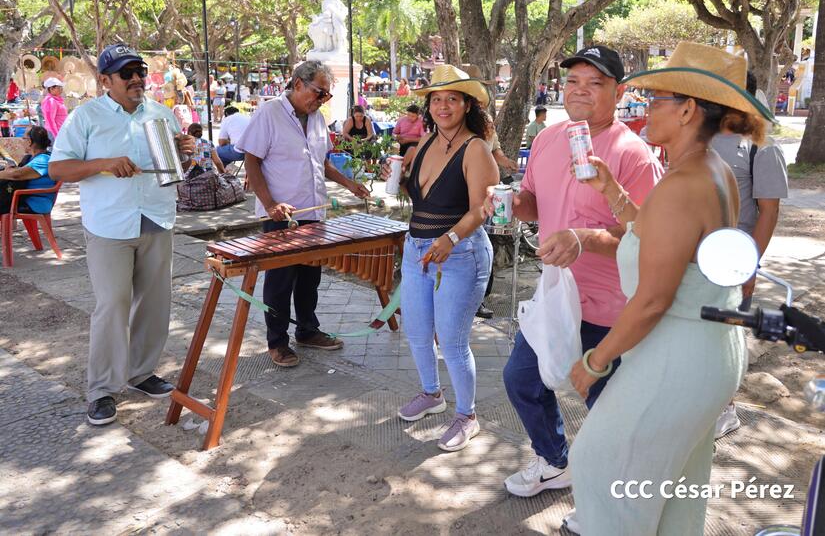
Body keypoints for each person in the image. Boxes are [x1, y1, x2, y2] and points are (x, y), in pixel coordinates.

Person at [565, 42, 771, 535]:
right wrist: (612, 191)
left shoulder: (686, 181)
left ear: (687, 110)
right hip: (705, 350)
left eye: (655, 98)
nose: (645, 108)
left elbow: (654, 299)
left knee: (605, 467)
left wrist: (596, 362)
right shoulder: (710, 171)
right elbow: (659, 237)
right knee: (672, 487)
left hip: (680, 352)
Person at [499, 45, 663, 499]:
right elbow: (534, 200)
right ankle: (554, 461)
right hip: (556, 294)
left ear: (618, 91)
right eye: (574, 81)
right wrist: (515, 205)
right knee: (521, 379)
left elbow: (645, 239)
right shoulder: (550, 138)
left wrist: (583, 238)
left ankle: (618, 497)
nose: (581, 91)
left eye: (596, 83)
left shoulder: (633, 154)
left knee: (604, 405)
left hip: (609, 305)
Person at [49, 43, 194, 427]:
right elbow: (58, 169)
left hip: (157, 217)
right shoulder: (86, 117)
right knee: (112, 304)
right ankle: (102, 389)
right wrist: (103, 164)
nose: (136, 80)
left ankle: (141, 373)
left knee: (154, 303)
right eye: (126, 74)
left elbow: (175, 165)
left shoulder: (163, 115)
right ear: (105, 80)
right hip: (109, 225)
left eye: (140, 72)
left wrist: (187, 152)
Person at [391, 64, 498, 452]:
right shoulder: (422, 145)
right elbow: (422, 200)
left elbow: (480, 209)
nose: (443, 106)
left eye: (452, 98)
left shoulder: (476, 149)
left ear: (467, 104)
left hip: (460, 253)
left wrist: (450, 238)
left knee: (451, 341)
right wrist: (399, 179)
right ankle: (431, 394)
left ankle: (467, 415)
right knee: (417, 333)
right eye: (436, 99)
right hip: (417, 249)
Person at [235, 61, 370, 367]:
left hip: (313, 212)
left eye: (327, 96)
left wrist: (349, 184)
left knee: (310, 278)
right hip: (281, 215)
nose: (322, 100)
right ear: (297, 84)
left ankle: (308, 330)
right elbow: (252, 161)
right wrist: (270, 204)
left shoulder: (318, 119)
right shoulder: (269, 113)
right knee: (280, 281)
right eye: (319, 93)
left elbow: (321, 162)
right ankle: (277, 341)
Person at [710, 70, 788, 439]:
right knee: (697, 333)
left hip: (732, 259)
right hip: (692, 256)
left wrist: (750, 263)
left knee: (727, 334)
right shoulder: (701, 135)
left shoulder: (761, 144)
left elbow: (769, 211)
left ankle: (726, 409)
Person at [0, 126, 57, 214]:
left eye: (23, 138)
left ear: (29, 141)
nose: (22, 142)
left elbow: (17, 175)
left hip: (36, 202)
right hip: (24, 197)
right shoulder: (32, 158)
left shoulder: (44, 160)